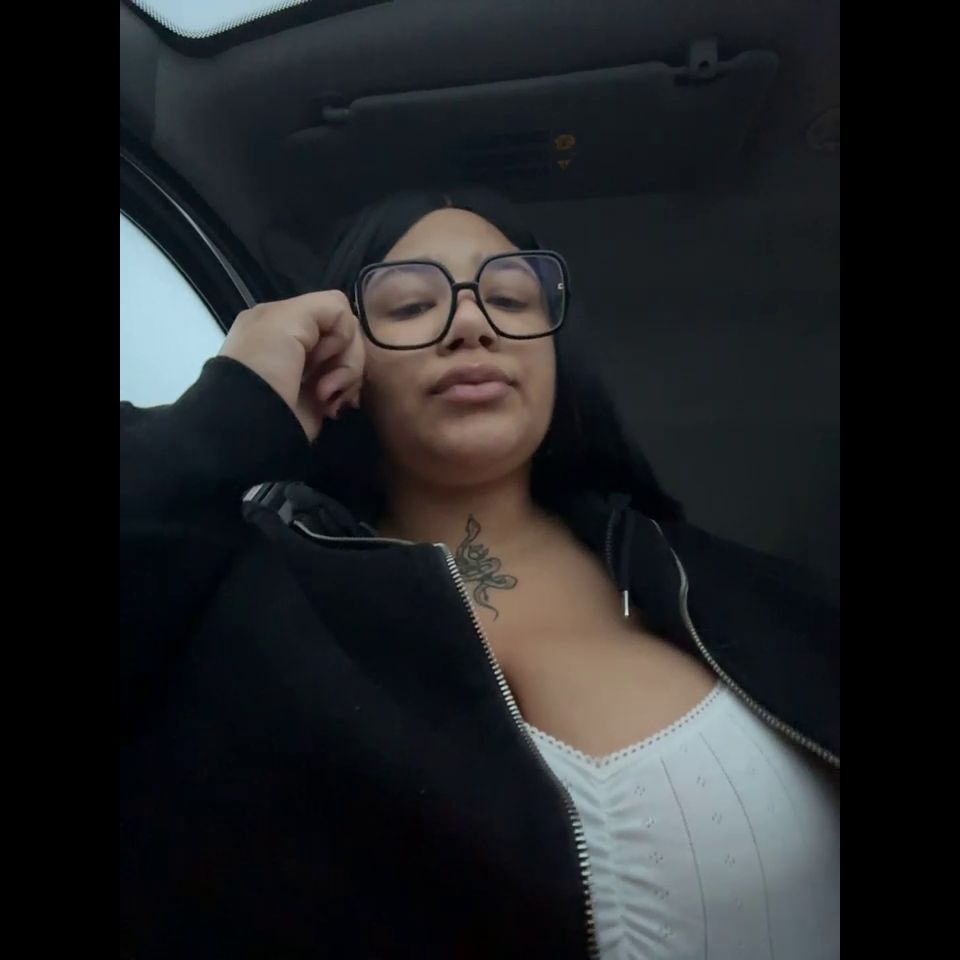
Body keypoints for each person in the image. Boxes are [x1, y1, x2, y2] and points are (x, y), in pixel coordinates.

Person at [120, 188, 839, 960]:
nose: (471, 323)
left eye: (509, 298)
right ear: (345, 358)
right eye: (410, 306)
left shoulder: (731, 588)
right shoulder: (246, 615)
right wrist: (231, 412)